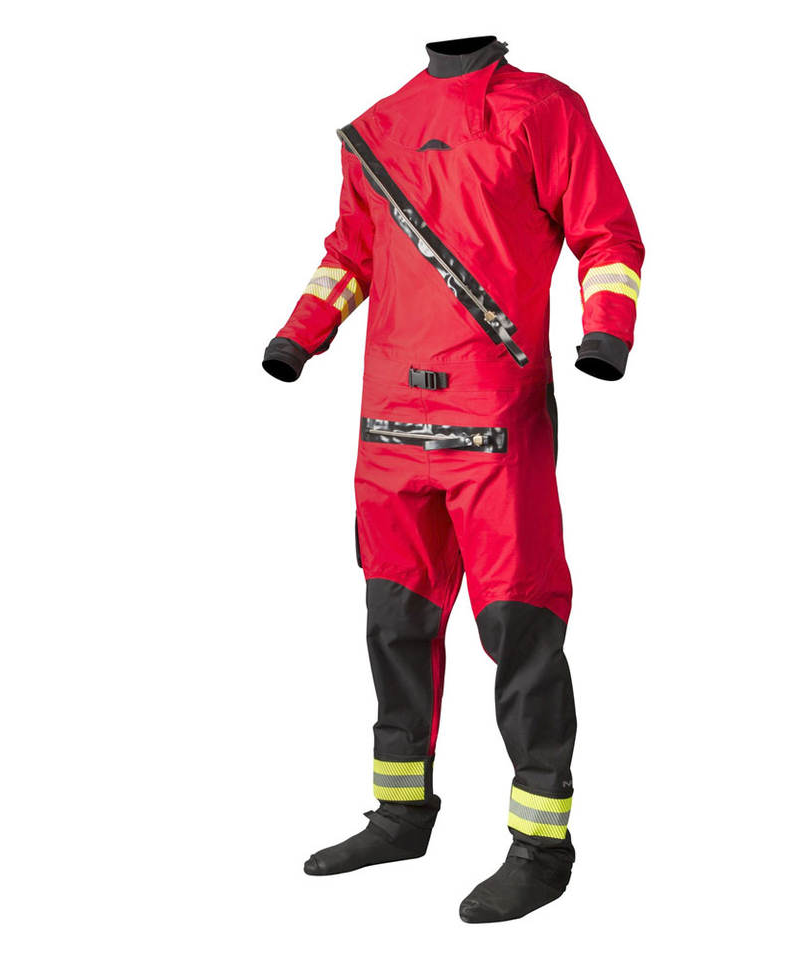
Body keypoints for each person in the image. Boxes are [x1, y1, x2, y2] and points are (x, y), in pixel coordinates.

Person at [262, 35, 644, 922]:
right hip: (389, 426)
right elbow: (351, 254)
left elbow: (607, 232)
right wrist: (298, 334)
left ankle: (541, 847)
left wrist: (607, 332)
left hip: (495, 420)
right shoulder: (380, 127)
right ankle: (401, 814)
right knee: (394, 623)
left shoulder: (542, 109)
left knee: (520, 627)